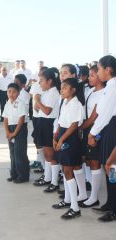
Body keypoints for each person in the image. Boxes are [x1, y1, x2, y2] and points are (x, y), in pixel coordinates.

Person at [88, 55, 116, 222]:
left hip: (112, 127)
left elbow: (104, 114)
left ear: (108, 69)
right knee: (109, 166)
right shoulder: (110, 86)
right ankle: (110, 203)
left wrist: (92, 133)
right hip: (108, 128)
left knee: (112, 167)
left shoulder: (113, 87)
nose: (98, 73)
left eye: (99, 69)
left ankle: (114, 209)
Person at [52, 78, 84, 220]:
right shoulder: (65, 102)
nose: (62, 89)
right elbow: (61, 121)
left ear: (73, 90)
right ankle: (68, 199)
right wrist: (56, 136)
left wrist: (62, 140)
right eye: (61, 87)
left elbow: (73, 126)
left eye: (65, 87)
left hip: (69, 137)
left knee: (68, 169)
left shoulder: (76, 104)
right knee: (66, 168)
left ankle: (75, 208)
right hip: (63, 134)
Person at [79, 65, 104, 208]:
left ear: (100, 76)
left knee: (95, 162)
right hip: (87, 127)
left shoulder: (103, 94)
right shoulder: (90, 91)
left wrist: (78, 127)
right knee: (88, 160)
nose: (89, 78)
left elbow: (94, 117)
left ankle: (94, 197)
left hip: (96, 129)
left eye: (92, 75)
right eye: (89, 75)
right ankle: (90, 191)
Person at [33, 68, 61, 194]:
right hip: (43, 122)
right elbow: (39, 110)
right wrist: (38, 102)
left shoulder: (53, 93)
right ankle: (48, 177)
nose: (40, 83)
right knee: (46, 154)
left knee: (51, 155)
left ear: (50, 81)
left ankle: (54, 182)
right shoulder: (46, 92)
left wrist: (37, 101)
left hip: (49, 123)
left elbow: (47, 110)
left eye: (42, 81)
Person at [2, 83, 30, 183]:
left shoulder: (21, 103)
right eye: (9, 91)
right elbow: (5, 118)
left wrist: (14, 133)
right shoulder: (7, 103)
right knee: (12, 153)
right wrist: (7, 131)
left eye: (14, 92)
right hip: (10, 128)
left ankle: (23, 176)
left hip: (19, 128)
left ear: (18, 93)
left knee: (20, 152)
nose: (11, 94)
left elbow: (21, 119)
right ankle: (14, 174)